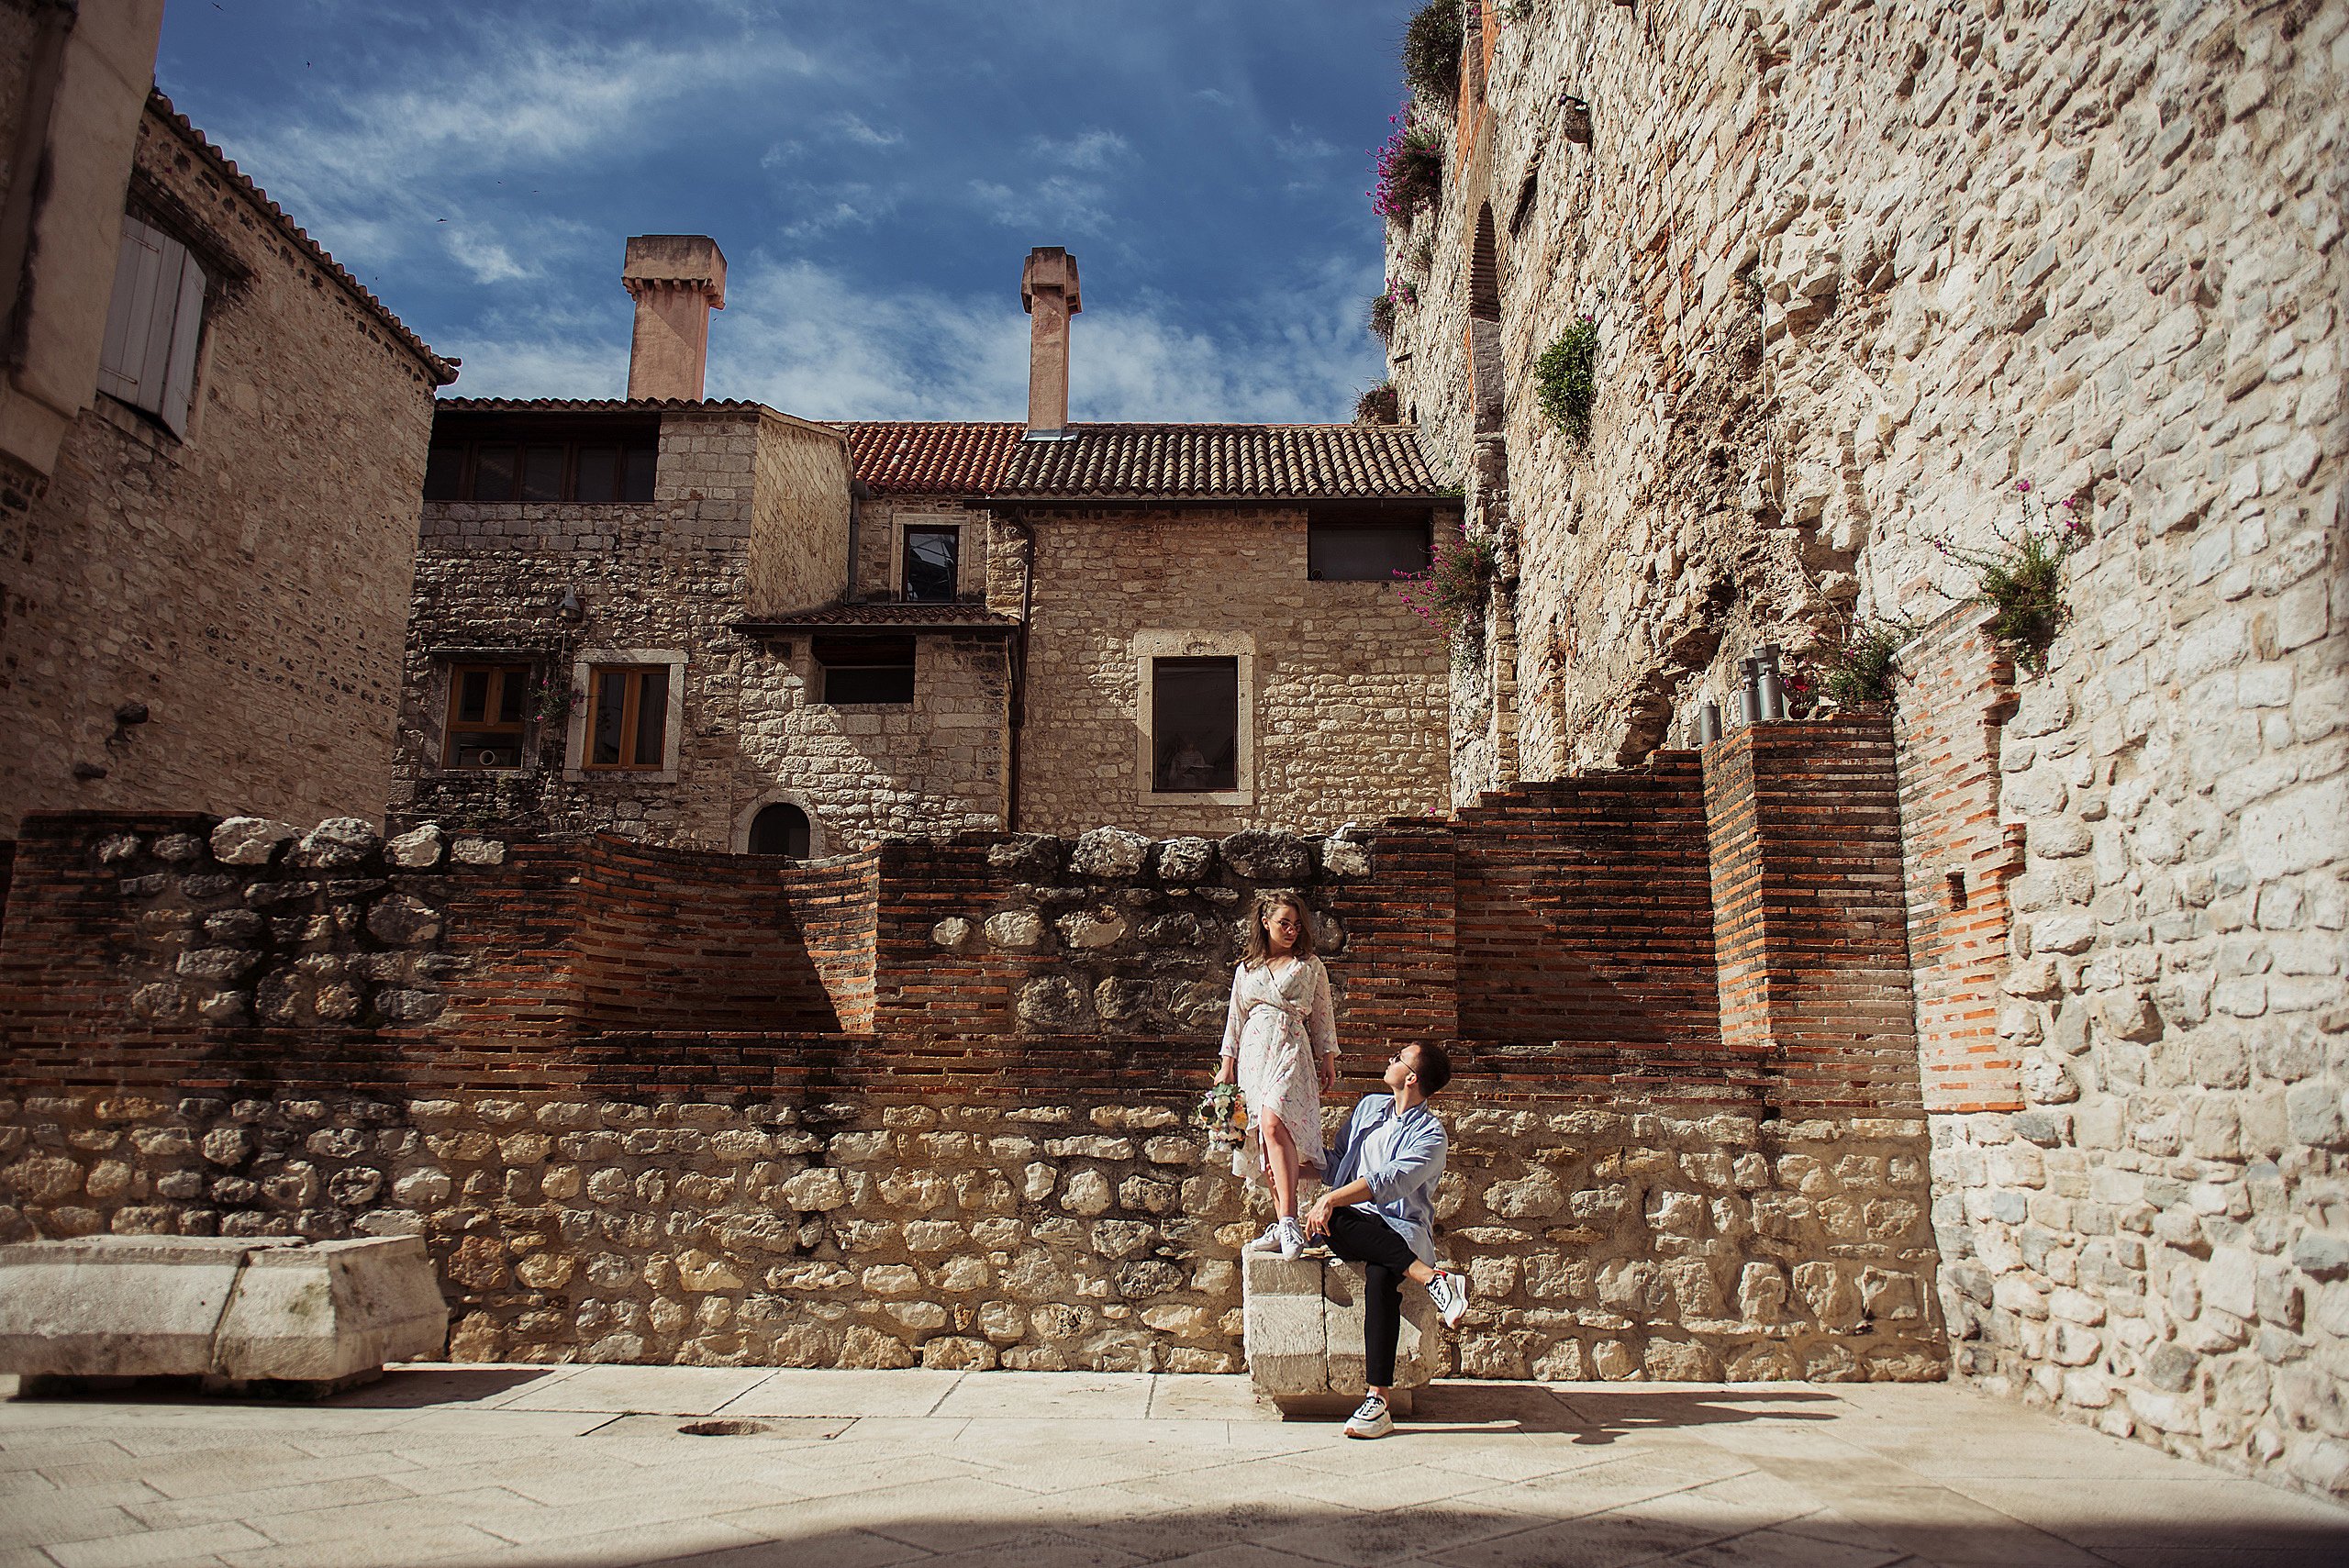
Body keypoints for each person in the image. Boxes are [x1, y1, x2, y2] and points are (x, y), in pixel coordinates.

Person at [1302, 1041, 1469, 1440]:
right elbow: (1337, 1165)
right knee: (1332, 1221)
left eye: (1398, 1057)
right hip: (1355, 1222)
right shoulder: (1368, 1108)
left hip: (1401, 1228)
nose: (1390, 1059)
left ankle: (1377, 1401)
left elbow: (1388, 1182)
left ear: (1411, 1077)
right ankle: (1432, 1278)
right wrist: (1284, 1161)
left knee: (1380, 1276)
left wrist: (1330, 1199)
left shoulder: (1432, 1136)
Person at [1214, 891, 1338, 1260]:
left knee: (1273, 1122)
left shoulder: (1310, 965)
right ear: (1265, 922)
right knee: (1264, 1137)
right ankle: (1286, 1222)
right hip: (1254, 1053)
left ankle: (1287, 1221)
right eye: (1284, 923)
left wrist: (1327, 1058)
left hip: (1291, 1047)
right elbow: (1235, 1019)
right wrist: (1226, 1066)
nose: (1291, 930)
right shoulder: (1247, 969)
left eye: (1297, 925)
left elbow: (1322, 1014)